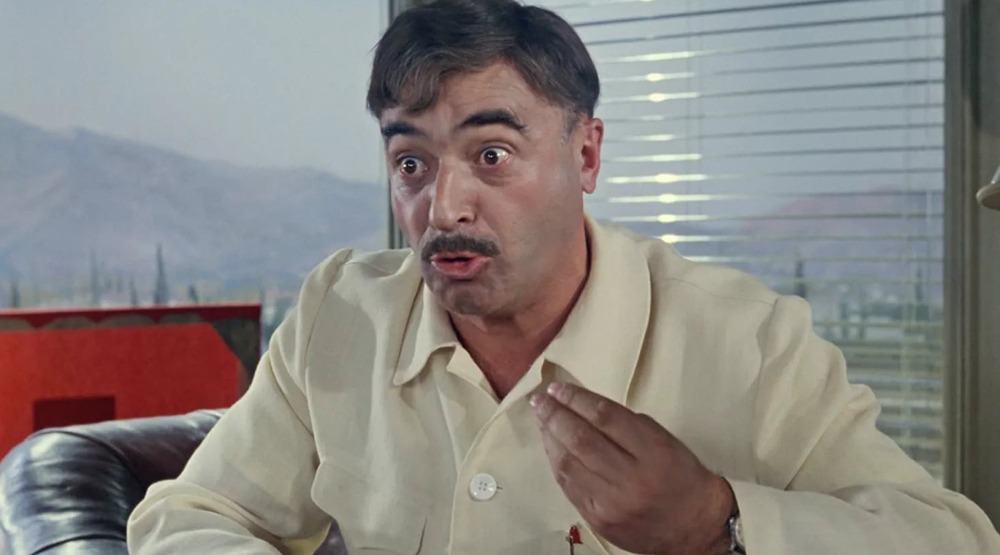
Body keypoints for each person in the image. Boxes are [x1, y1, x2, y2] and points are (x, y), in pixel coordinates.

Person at [127, 1, 1000, 554]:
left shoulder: (751, 341)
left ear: (586, 154)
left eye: (491, 154)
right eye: (411, 163)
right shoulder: (340, 313)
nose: (443, 206)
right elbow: (188, 516)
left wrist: (717, 524)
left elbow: (951, 539)